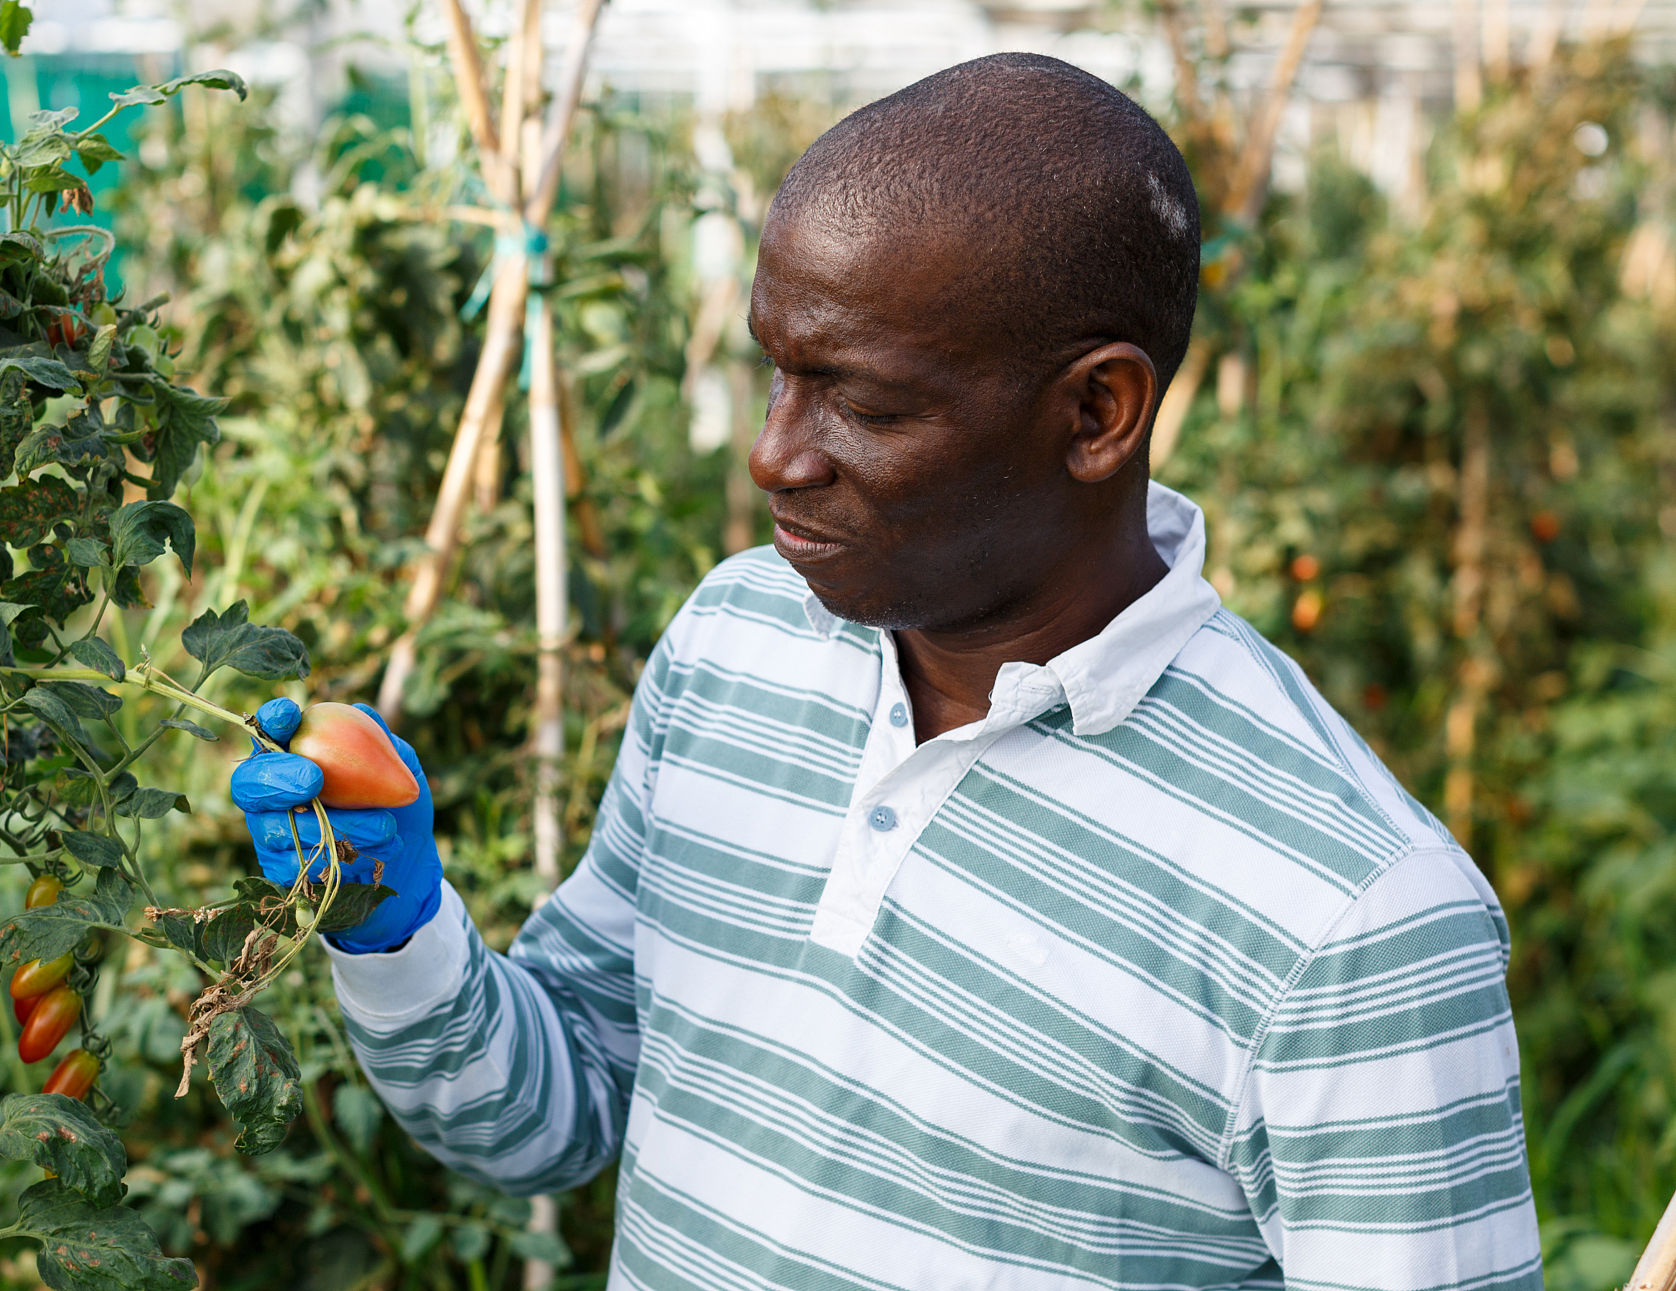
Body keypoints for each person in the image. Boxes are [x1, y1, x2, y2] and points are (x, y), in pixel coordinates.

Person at [233, 52, 1540, 1289]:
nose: (773, 455)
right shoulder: (736, 645)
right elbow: (552, 1117)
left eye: (861, 402)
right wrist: (396, 931)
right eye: (778, 374)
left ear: (1098, 412)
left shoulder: (1350, 916)